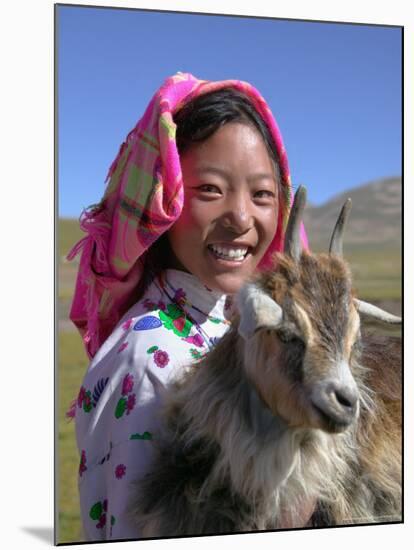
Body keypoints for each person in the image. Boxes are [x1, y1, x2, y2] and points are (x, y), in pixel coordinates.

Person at [67, 72, 307, 541]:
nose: (241, 217)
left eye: (262, 195)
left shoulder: (232, 328)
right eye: (210, 190)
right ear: (163, 199)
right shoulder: (153, 360)